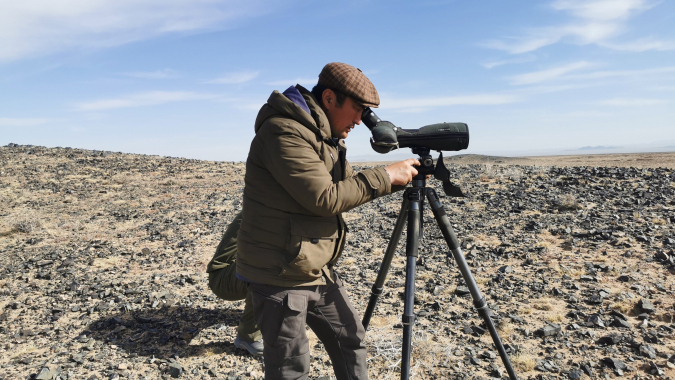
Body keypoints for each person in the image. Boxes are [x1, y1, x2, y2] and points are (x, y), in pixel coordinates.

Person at [236, 62, 419, 380]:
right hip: (280, 273)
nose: (360, 121)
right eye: (358, 110)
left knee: (351, 338)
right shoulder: (284, 131)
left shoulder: (323, 138)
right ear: (330, 98)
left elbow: (346, 188)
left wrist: (395, 177)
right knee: (291, 368)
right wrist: (386, 176)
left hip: (312, 266)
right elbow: (325, 198)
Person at [206, 211, 262, 355]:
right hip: (223, 277)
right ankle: (249, 336)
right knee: (270, 266)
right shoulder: (268, 204)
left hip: (239, 269)